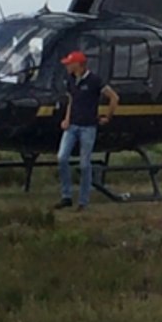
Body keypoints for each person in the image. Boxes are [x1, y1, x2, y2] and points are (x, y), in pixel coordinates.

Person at [55, 50, 119, 210]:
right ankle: (66, 195)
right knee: (62, 157)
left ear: (78, 64)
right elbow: (71, 100)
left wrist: (108, 116)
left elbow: (114, 97)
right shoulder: (70, 80)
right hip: (72, 125)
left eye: (70, 63)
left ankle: (83, 201)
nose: (67, 66)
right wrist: (67, 118)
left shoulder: (94, 80)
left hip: (88, 126)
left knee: (85, 164)